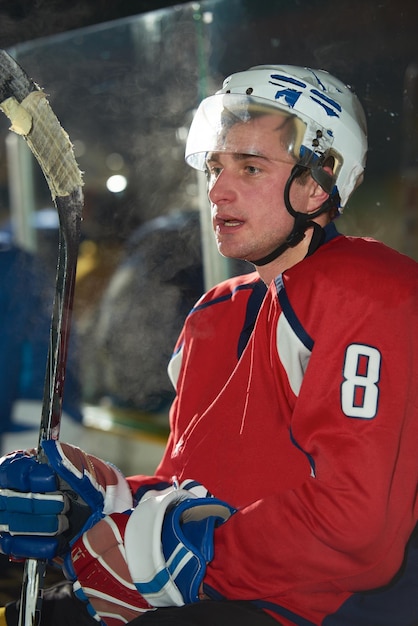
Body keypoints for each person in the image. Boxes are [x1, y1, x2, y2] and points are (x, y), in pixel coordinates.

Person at [0, 65, 417, 626]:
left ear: (318, 183)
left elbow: (355, 529)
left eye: (250, 167)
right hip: (229, 594)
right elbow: (194, 489)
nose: (218, 189)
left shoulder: (371, 289)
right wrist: (94, 500)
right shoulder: (217, 312)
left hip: (325, 608)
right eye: (217, 166)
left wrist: (179, 556)